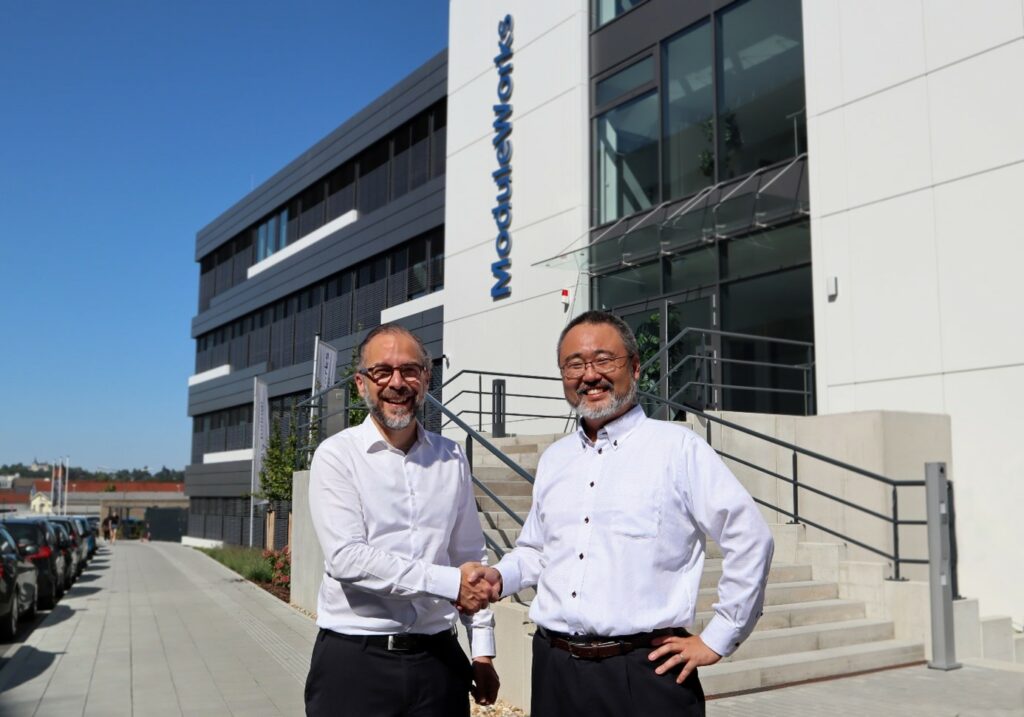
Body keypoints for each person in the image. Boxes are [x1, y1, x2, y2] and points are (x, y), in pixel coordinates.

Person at [468, 310, 774, 716]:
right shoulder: (556, 459)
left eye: (603, 360)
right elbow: (538, 551)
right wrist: (500, 577)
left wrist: (719, 637)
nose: (589, 374)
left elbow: (750, 538)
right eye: (574, 364)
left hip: (644, 674)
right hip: (554, 669)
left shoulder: (677, 449)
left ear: (633, 367)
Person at [304, 323, 499, 717]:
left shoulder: (451, 456)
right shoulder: (336, 455)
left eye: (411, 370)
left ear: (426, 380)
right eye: (382, 371)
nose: (398, 382)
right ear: (361, 384)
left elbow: (469, 555)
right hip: (356, 663)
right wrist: (448, 583)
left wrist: (482, 649)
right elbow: (347, 558)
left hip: (437, 661)